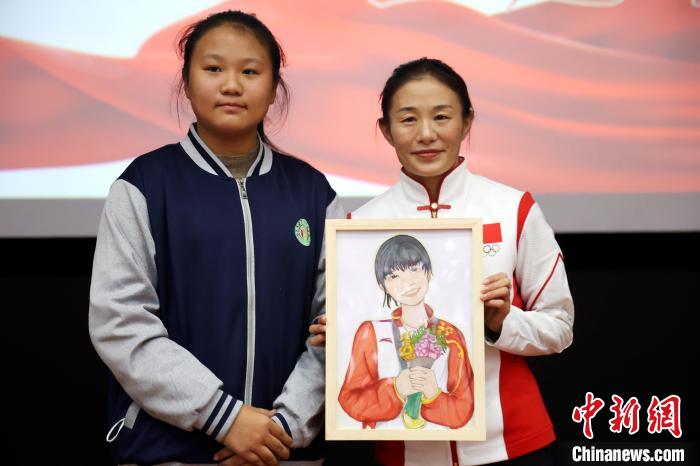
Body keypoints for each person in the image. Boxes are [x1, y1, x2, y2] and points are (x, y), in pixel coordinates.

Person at [89, 10, 342, 466]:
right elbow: (119, 322)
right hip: (169, 451)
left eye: (250, 72)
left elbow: (337, 326)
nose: (231, 85)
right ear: (186, 82)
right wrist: (224, 418)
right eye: (213, 68)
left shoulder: (313, 193)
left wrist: (280, 430)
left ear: (274, 87)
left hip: (285, 453)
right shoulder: (144, 185)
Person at [311, 58, 574, 465]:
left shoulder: (513, 208)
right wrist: (341, 337)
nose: (426, 134)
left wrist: (500, 324)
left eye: (441, 116)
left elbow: (559, 328)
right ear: (386, 130)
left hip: (513, 446)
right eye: (408, 119)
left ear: (467, 122)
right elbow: (357, 368)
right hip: (404, 453)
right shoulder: (359, 228)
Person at [338, 234, 474, 430]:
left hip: (439, 441)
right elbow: (350, 399)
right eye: (394, 276)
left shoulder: (451, 335)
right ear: (382, 286)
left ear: (428, 271)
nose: (407, 282)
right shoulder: (371, 332)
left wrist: (434, 395)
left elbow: (463, 410)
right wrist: (395, 389)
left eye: (414, 269)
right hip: (386, 443)